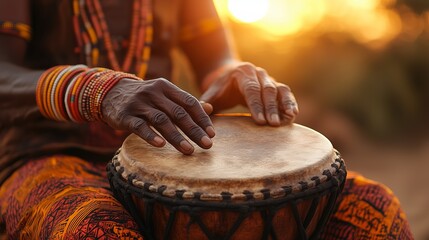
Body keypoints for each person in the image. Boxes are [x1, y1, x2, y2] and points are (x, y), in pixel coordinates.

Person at [0, 0, 412, 239]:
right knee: (96, 231)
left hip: (164, 153)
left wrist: (232, 76)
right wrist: (96, 90)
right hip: (45, 156)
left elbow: (216, 56)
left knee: (375, 211)